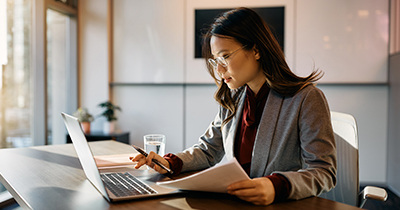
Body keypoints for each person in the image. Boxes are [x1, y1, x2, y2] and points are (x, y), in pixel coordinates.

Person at [131, 7, 336, 206]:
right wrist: (169, 163)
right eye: (215, 60)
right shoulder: (234, 97)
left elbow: (323, 171)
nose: (219, 69)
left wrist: (276, 186)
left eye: (225, 57)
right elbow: (208, 150)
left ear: (256, 50)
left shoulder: (306, 98)